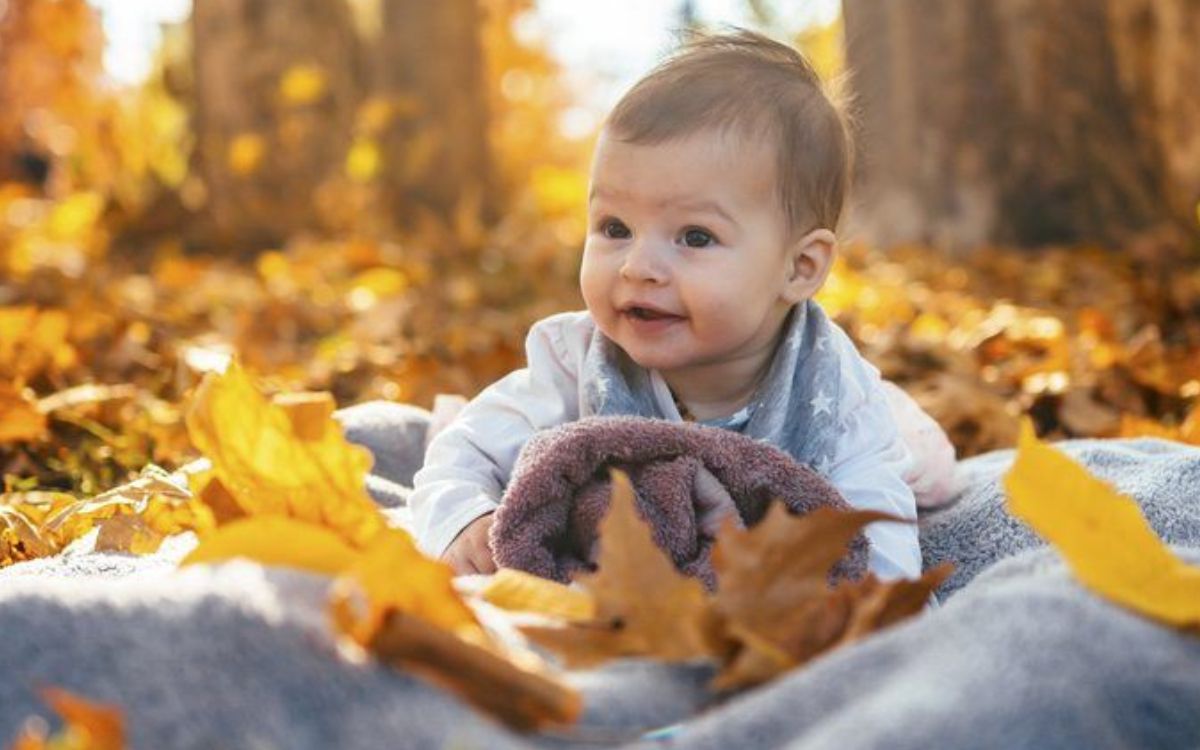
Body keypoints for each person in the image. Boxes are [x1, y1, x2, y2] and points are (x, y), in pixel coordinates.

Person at [410, 29, 947, 579]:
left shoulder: (833, 393)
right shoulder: (578, 363)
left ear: (799, 268)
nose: (637, 265)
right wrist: (460, 517)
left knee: (922, 469)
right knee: (473, 427)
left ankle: (915, 431)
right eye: (615, 227)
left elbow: (877, 530)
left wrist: (871, 607)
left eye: (694, 237)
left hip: (841, 463)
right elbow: (464, 453)